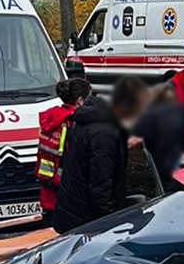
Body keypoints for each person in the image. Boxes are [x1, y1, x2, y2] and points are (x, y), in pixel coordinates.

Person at [53, 77, 148, 233]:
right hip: (84, 221)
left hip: (72, 211)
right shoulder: (105, 135)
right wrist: (110, 224)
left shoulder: (91, 122)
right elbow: (100, 185)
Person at [35, 77, 92, 220]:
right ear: (80, 100)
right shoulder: (74, 122)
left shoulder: (51, 118)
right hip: (67, 193)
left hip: (48, 190)